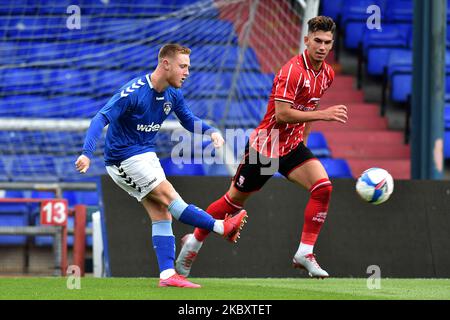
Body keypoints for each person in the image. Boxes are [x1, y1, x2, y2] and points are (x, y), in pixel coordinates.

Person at [176, 16, 347, 279]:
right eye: (317, 41)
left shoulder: (327, 74)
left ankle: (305, 252)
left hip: (290, 147)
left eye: (327, 42)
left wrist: (303, 143)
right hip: (266, 148)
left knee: (323, 187)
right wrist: (324, 115)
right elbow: (282, 115)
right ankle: (194, 242)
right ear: (306, 40)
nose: (322, 47)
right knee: (232, 202)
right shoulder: (291, 71)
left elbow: (309, 107)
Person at [75, 43, 248, 288]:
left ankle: (167, 275)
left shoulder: (173, 93)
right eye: (183, 66)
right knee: (170, 197)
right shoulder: (134, 92)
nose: (187, 72)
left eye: (188, 66)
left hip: (145, 154)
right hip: (123, 159)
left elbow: (188, 120)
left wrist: (210, 131)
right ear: (165, 64)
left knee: (162, 214)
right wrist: (86, 153)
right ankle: (221, 227)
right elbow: (100, 117)